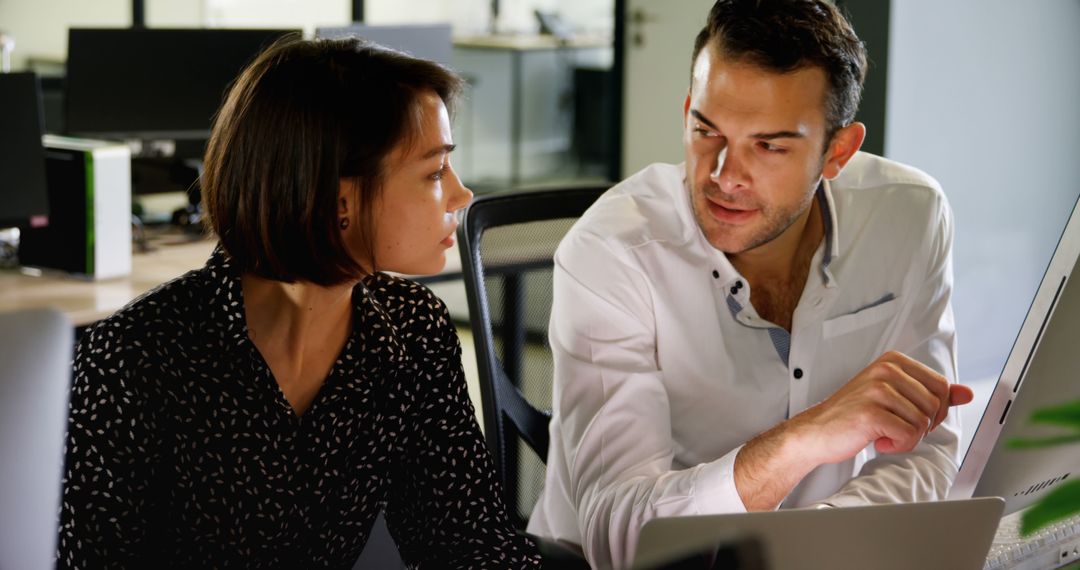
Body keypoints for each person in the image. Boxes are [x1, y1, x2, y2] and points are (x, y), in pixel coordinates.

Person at [58, 36, 540, 568]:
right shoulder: (134, 359)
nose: (460, 195)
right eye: (433, 172)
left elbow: (467, 539)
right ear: (338, 197)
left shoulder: (412, 327)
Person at [527, 1, 976, 568]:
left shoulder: (910, 215)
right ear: (688, 110)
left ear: (837, 152)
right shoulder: (610, 252)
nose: (723, 176)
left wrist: (814, 540)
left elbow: (929, 447)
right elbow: (622, 538)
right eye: (706, 130)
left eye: (769, 145)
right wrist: (806, 437)